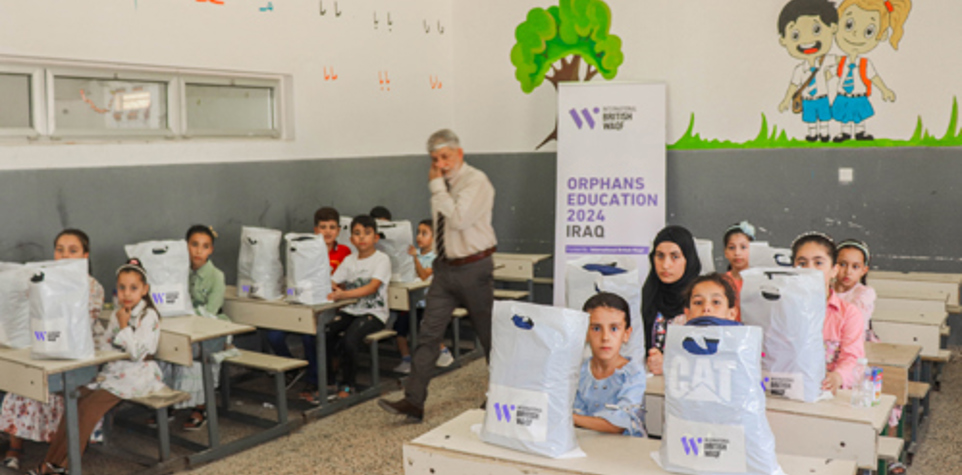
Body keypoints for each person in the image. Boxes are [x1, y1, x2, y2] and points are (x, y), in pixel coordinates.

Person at [379, 129, 497, 422]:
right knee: (428, 334)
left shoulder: (476, 181)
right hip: (445, 270)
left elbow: (459, 219)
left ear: (459, 153)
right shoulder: (442, 186)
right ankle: (413, 401)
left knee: (489, 336)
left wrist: (436, 187)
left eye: (446, 157)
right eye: (435, 159)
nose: (441, 164)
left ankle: (499, 397)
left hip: (474, 267)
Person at [29, 259, 166, 475]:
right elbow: (107, 343)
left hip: (138, 375)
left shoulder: (149, 316)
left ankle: (65, 466)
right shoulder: (118, 312)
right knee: (75, 402)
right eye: (122, 288)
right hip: (115, 372)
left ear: (145, 289)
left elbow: (137, 353)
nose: (127, 294)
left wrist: (123, 325)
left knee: (88, 409)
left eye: (133, 288)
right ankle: (50, 462)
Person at [1, 230, 105, 470]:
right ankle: (15, 448)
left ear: (85, 256)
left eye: (73, 250)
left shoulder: (92, 286)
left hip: (77, 357)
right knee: (19, 381)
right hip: (45, 349)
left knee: (40, 384)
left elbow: (79, 328)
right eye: (60, 249)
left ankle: (54, 457)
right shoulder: (42, 280)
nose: (65, 255)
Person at [265, 207, 351, 401]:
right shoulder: (303, 250)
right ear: (315, 230)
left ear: (338, 230)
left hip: (328, 307)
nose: (327, 232)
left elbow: (348, 282)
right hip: (302, 305)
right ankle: (294, 369)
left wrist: (336, 286)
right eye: (323, 227)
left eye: (332, 227)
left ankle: (314, 380)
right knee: (274, 335)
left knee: (309, 335)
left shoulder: (344, 252)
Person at [168, 225, 228, 431]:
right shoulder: (178, 273)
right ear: (186, 246)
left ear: (211, 250)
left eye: (205, 246)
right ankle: (172, 401)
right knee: (167, 349)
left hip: (212, 329)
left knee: (195, 353)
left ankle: (201, 406)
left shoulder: (217, 276)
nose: (199, 251)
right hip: (184, 327)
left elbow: (210, 312)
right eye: (194, 244)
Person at [325, 215, 392, 400]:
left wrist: (344, 294)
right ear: (351, 239)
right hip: (351, 311)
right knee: (326, 332)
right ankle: (329, 380)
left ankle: (349, 384)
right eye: (357, 233)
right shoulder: (349, 260)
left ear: (376, 238)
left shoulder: (382, 259)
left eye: (367, 233)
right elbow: (332, 281)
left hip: (374, 314)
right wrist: (333, 288)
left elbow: (372, 288)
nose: (362, 237)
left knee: (350, 339)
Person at [791, 232, 864, 394]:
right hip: (792, 388)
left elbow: (852, 358)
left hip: (831, 392)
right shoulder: (782, 310)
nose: (810, 269)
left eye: (818, 263)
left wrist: (837, 377)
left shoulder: (849, 314)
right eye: (802, 263)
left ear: (834, 270)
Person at [831, 0, 911, 142]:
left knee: (859, 115)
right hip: (843, 96)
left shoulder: (865, 64)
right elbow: (832, 73)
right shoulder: (840, 61)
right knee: (844, 115)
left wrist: (884, 90)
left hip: (859, 96)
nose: (855, 34)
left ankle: (860, 132)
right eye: (849, 25)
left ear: (882, 35)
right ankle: (845, 133)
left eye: (869, 31)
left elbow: (874, 77)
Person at [573, 292, 646, 437]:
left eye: (614, 329)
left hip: (626, 448)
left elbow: (618, 425)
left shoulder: (633, 374)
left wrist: (569, 418)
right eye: (596, 328)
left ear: (626, 334)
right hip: (586, 443)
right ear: (585, 333)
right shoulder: (578, 372)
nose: (605, 337)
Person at [392, 218, 454, 374]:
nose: (419, 236)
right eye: (418, 233)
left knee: (426, 329)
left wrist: (414, 258)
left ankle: (443, 352)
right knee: (399, 329)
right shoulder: (414, 254)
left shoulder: (437, 257)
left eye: (424, 233)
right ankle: (406, 360)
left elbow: (424, 275)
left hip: (429, 303)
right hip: (412, 301)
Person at [776, 0, 840, 142]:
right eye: (795, 35)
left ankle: (824, 135)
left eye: (816, 30)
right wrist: (786, 100)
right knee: (810, 120)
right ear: (783, 40)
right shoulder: (799, 70)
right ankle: (812, 135)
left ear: (832, 28)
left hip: (822, 98)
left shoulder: (825, 61)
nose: (807, 40)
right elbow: (793, 85)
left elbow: (842, 62)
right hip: (808, 100)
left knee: (824, 118)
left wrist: (832, 74)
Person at [642, 225, 701, 376]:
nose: (665, 265)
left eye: (675, 257)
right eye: (660, 256)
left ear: (688, 259)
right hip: (650, 382)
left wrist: (668, 363)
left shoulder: (702, 299)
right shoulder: (647, 294)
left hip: (689, 382)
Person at [723, 220, 755, 321]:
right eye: (732, 247)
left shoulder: (759, 281)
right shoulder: (720, 282)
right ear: (725, 252)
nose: (737, 253)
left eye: (743, 247)